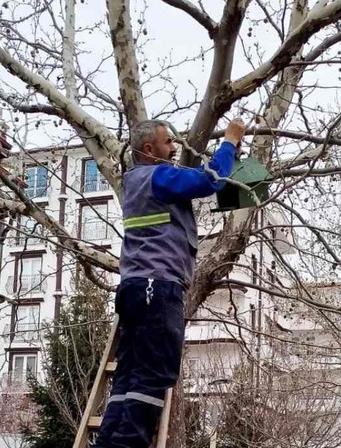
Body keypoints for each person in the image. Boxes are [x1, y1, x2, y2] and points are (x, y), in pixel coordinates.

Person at [94, 118, 246, 447]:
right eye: (167, 143)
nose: (174, 149)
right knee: (153, 375)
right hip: (157, 288)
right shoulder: (158, 176)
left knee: (129, 376)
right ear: (149, 149)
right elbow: (212, 181)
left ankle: (109, 442)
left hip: (134, 289)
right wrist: (230, 142)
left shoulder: (135, 181)